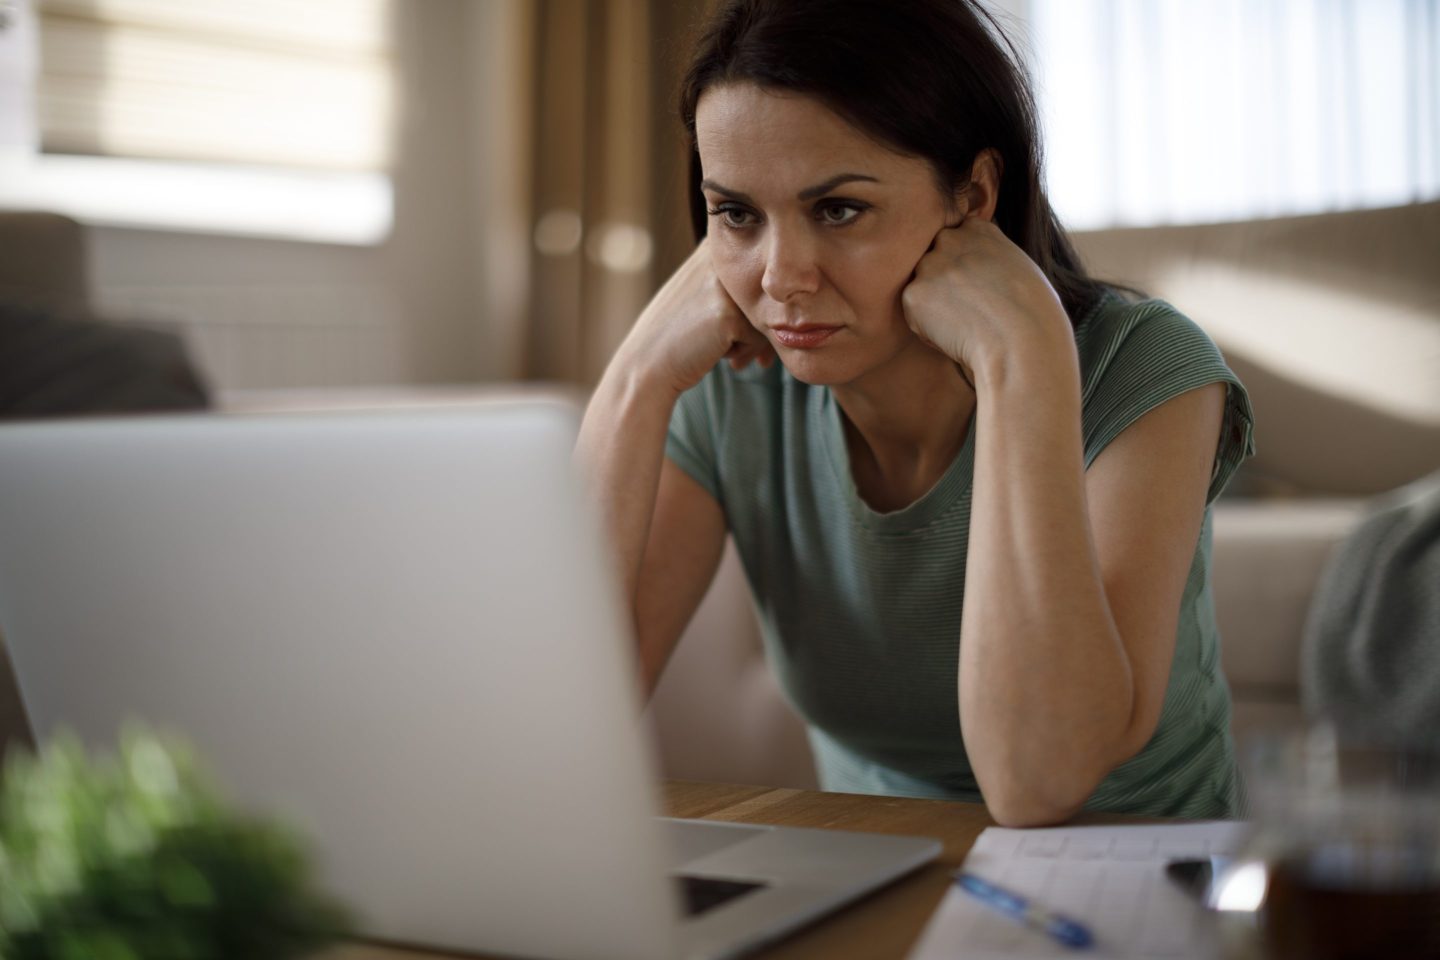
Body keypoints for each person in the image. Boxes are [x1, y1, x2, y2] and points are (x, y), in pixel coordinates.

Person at [575, 0, 1254, 826]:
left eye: (838, 210)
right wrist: (634, 379)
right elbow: (554, 731)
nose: (781, 278)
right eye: (738, 214)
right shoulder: (733, 391)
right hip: (877, 871)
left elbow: (1039, 781)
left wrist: (1021, 359)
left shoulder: (1143, 366)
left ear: (973, 196)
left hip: (1138, 870)